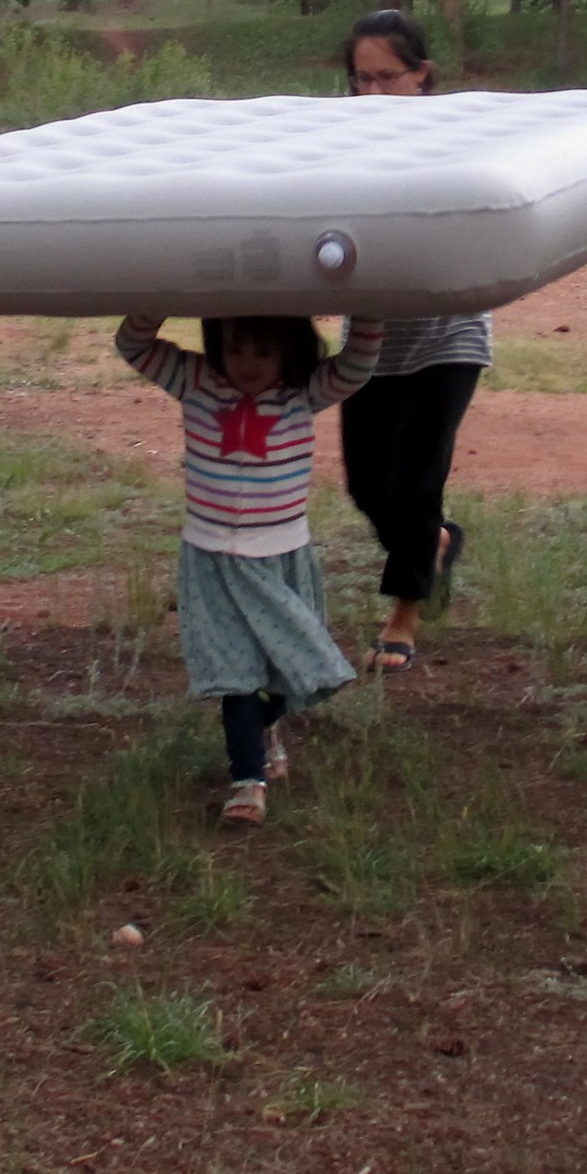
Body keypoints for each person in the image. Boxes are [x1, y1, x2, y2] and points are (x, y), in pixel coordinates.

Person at [114, 309, 383, 826]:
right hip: (211, 558)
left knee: (295, 671)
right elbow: (133, 344)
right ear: (216, 341)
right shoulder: (196, 381)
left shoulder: (302, 392)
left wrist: (367, 301)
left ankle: (263, 728)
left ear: (290, 348)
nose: (248, 364)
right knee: (235, 676)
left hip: (281, 557)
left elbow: (357, 364)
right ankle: (247, 782)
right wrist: (162, 295)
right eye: (236, 348)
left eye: (264, 352)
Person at [338, 9, 483, 671]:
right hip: (371, 337)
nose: (371, 93)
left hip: (448, 336)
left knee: (417, 481)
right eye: (359, 80)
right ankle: (436, 544)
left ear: (421, 77)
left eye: (385, 78)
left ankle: (402, 614)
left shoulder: (456, 139)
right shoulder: (337, 145)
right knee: (368, 486)